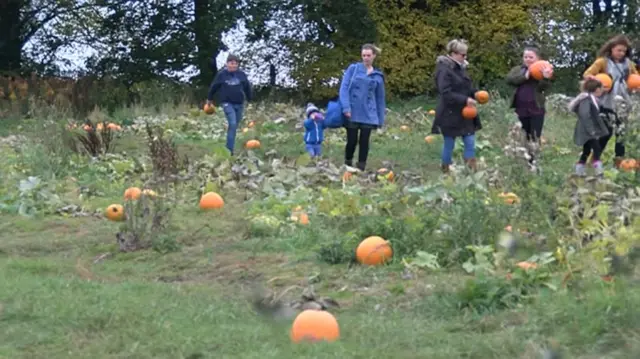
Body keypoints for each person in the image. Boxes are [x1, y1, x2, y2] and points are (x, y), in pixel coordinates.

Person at [583, 34, 638, 168]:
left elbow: (636, 77)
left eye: (624, 51)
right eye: (619, 50)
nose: (621, 53)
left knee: (621, 135)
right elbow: (587, 74)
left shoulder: (628, 64)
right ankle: (594, 159)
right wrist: (596, 81)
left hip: (623, 103)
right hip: (606, 102)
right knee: (605, 133)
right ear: (612, 49)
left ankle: (619, 164)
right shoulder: (602, 62)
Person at [431, 39, 481, 173]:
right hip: (449, 113)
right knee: (449, 143)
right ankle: (445, 171)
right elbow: (445, 92)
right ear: (453, 53)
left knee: (470, 140)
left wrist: (476, 94)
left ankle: (471, 172)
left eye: (466, 55)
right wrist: (465, 100)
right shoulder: (443, 70)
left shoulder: (461, 68)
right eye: (462, 55)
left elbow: (466, 87)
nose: (465, 57)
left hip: (465, 113)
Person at [339, 43, 386, 171]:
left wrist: (380, 119)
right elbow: (343, 88)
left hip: (369, 113)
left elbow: (380, 98)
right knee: (352, 140)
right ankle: (347, 164)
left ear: (374, 56)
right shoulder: (353, 69)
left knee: (364, 141)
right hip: (353, 111)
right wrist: (346, 107)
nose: (366, 58)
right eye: (364, 55)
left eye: (368, 55)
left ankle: (361, 167)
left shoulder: (378, 76)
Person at [505, 46, 553, 149]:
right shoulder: (518, 69)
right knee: (525, 134)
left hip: (536, 108)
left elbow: (544, 88)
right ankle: (526, 157)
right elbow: (509, 80)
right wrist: (525, 77)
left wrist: (545, 78)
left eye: (531, 57)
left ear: (538, 59)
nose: (527, 59)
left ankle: (533, 160)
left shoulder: (543, 69)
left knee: (535, 135)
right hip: (521, 108)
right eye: (525, 57)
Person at [206, 54, 252, 155]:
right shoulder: (222, 75)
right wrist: (209, 99)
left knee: (234, 126)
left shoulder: (241, 75)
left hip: (239, 104)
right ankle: (229, 151)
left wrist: (250, 99)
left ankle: (230, 145)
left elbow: (247, 87)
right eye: (231, 63)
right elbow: (214, 87)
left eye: (236, 64)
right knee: (232, 123)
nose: (234, 66)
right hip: (227, 103)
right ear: (227, 64)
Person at [569, 79, 609, 176]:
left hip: (588, 129)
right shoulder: (586, 99)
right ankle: (599, 172)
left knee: (586, 150)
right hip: (587, 130)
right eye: (601, 88)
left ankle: (579, 170)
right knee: (596, 148)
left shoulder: (592, 99)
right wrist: (591, 131)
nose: (602, 90)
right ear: (596, 89)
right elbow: (585, 115)